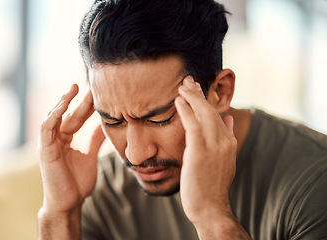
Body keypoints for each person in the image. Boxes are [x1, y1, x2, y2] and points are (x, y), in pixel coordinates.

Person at [37, 0, 327, 239]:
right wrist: (60, 214)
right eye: (113, 121)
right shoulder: (103, 192)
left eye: (160, 118)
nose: (136, 154)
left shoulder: (315, 181)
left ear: (220, 91)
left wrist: (214, 218)